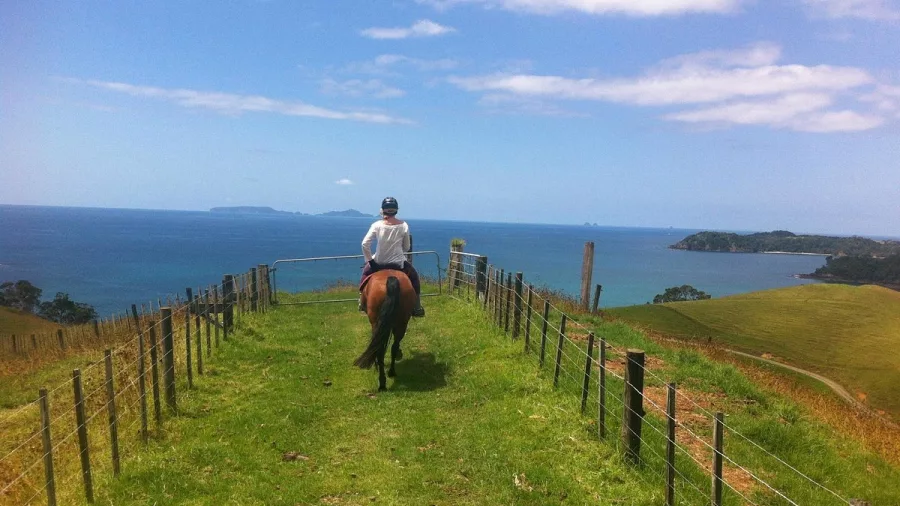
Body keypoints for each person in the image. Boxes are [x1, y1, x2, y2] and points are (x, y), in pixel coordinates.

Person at [359, 197, 425, 317]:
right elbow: (406, 247)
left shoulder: (376, 225)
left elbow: (365, 244)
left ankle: (362, 302)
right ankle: (417, 306)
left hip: (379, 262)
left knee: (365, 275)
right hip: (398, 263)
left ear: (382, 210)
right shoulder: (404, 225)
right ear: (396, 210)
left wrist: (371, 261)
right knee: (414, 277)